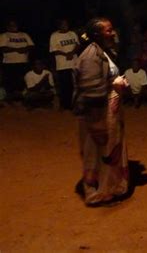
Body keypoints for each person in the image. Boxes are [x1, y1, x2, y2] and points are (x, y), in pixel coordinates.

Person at [73, 17, 129, 206]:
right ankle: (96, 192)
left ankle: (108, 188)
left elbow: (103, 80)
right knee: (95, 152)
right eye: (109, 30)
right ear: (96, 35)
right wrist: (96, 122)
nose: (113, 33)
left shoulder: (104, 51)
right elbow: (91, 91)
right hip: (96, 113)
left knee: (105, 150)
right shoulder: (90, 56)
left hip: (107, 112)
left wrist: (116, 83)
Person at [0, 19, 35, 101]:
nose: (13, 27)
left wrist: (25, 49)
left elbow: (32, 46)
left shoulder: (24, 35)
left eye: (15, 24)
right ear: (7, 26)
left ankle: (21, 98)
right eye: (11, 25)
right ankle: (11, 100)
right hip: (9, 63)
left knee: (22, 81)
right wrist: (17, 50)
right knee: (10, 82)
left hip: (23, 62)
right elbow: (2, 48)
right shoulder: (4, 35)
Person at [49, 18, 79, 110]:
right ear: (59, 25)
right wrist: (66, 54)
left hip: (74, 63)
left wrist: (72, 52)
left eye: (66, 24)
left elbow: (77, 44)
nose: (65, 26)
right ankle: (64, 105)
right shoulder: (54, 36)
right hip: (62, 64)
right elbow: (54, 50)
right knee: (64, 85)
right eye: (63, 24)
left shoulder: (72, 34)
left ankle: (73, 104)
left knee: (74, 85)